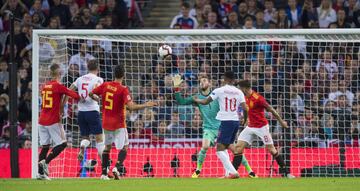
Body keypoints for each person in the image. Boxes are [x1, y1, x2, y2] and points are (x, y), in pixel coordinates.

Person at [173, 74, 256, 178]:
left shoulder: (217, 95)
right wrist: (176, 88)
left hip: (222, 126)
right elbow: (181, 101)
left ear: (209, 83)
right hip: (208, 128)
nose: (202, 83)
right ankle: (198, 170)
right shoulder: (197, 97)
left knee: (234, 149)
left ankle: (250, 171)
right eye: (200, 81)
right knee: (205, 146)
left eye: (204, 80)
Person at [90, 65, 157, 180]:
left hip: (106, 123)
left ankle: (104, 174)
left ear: (114, 74)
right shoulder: (123, 89)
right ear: (123, 75)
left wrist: (98, 100)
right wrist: (146, 104)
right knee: (125, 147)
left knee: (107, 147)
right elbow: (131, 107)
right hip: (119, 124)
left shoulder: (105, 85)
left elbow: (91, 93)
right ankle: (116, 167)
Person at [232, 80, 295, 178]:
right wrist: (245, 120)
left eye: (240, 88)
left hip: (262, 127)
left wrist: (281, 122)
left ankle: (287, 173)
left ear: (244, 88)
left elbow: (271, 110)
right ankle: (233, 173)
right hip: (250, 126)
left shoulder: (258, 98)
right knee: (238, 148)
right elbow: (246, 110)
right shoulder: (244, 98)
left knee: (271, 149)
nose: (239, 90)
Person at [193, 71, 248, 179]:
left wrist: (196, 99)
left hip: (226, 122)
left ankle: (233, 172)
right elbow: (246, 108)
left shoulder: (219, 90)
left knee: (219, 150)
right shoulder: (239, 92)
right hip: (235, 122)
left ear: (225, 79)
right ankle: (228, 174)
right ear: (233, 80)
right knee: (227, 146)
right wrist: (245, 120)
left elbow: (205, 102)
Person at [37, 63, 80, 180]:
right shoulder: (58, 86)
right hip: (52, 120)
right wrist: (85, 96)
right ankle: (45, 162)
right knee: (63, 144)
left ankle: (40, 173)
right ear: (59, 73)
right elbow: (73, 95)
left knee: (45, 147)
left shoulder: (45, 86)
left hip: (41, 121)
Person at [67, 60, 104, 162]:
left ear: (87, 68)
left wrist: (71, 100)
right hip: (92, 111)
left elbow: (69, 90)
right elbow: (96, 91)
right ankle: (105, 168)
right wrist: (96, 98)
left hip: (81, 113)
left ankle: (83, 146)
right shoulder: (99, 79)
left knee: (85, 137)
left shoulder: (79, 79)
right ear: (98, 68)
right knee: (99, 139)